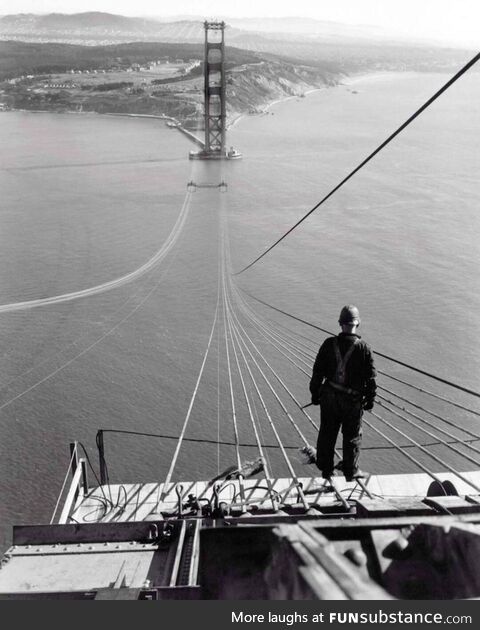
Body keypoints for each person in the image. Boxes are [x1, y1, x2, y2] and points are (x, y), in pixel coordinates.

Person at [309, 305, 376, 481]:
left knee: (327, 433)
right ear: (358, 323)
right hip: (352, 402)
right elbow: (370, 380)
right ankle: (351, 472)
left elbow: (317, 372)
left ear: (340, 324)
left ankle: (327, 470)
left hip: (329, 398)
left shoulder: (328, 344)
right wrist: (369, 401)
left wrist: (315, 394)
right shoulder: (364, 348)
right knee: (352, 436)